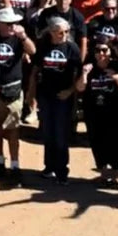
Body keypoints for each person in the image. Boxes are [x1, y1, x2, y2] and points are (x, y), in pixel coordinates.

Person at [0, 7, 34, 185]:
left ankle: (15, 166)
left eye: (14, 23)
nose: (12, 26)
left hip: (13, 89)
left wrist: (23, 37)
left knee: (13, 129)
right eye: (8, 23)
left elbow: (32, 51)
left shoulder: (18, 38)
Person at [33, 16, 82, 183]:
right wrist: (32, 94)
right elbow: (36, 70)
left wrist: (70, 91)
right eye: (61, 32)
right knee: (48, 133)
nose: (65, 35)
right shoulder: (44, 46)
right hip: (45, 95)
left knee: (61, 135)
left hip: (63, 97)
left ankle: (62, 171)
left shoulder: (72, 48)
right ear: (52, 32)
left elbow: (79, 74)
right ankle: (49, 167)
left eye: (67, 32)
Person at [76, 41, 118, 184]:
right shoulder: (88, 67)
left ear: (110, 51)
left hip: (116, 111)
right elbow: (80, 88)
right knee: (97, 141)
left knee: (116, 141)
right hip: (94, 111)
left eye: (104, 50)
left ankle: (116, 173)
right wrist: (84, 75)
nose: (101, 54)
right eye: (97, 50)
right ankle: (104, 172)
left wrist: (117, 77)